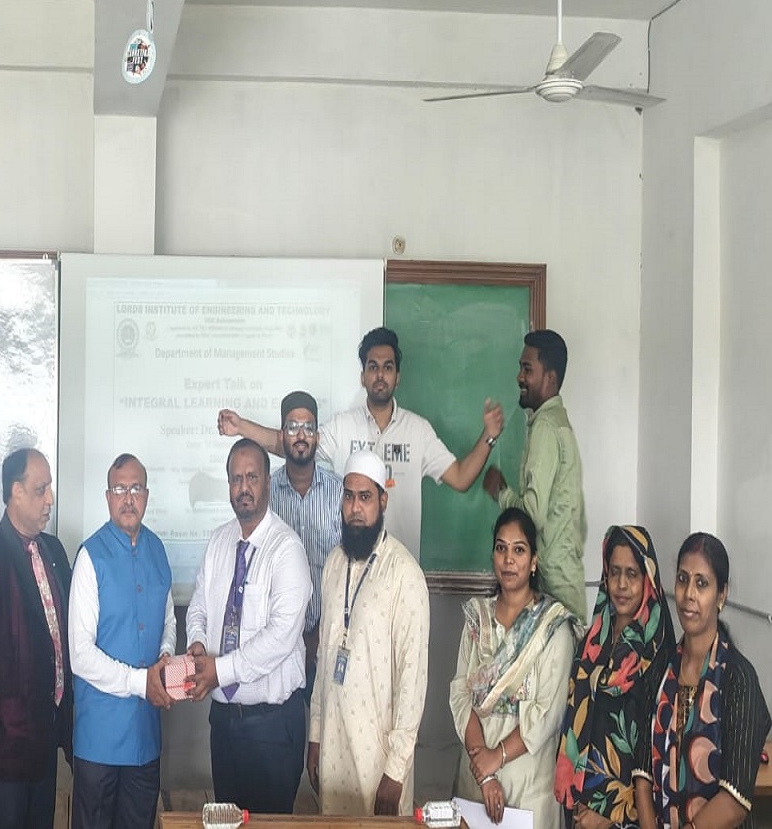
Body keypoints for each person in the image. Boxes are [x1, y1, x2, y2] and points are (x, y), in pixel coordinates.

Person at [218, 326, 503, 557]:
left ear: (397, 377)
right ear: (362, 376)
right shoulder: (342, 426)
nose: (380, 375)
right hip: (352, 570)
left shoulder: (418, 431)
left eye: (388, 367)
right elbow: (292, 444)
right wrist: (241, 426)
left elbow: (461, 478)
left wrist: (488, 435)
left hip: (400, 569)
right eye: (373, 367)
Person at [186, 438, 311, 814]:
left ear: (268, 482)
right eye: (236, 479)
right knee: (227, 821)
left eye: (252, 477)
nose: (244, 487)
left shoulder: (286, 549)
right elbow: (199, 606)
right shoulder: (219, 541)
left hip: (271, 727)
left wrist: (219, 671)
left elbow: (280, 638)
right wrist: (196, 644)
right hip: (224, 723)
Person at [308, 449, 428, 817]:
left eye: (365, 497)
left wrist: (396, 770)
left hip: (379, 760)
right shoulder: (333, 563)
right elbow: (323, 660)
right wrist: (315, 735)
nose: (355, 508)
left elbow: (413, 678)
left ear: (383, 501)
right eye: (348, 497)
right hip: (332, 747)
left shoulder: (404, 574)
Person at [0, 448, 72, 829]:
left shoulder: (54, 550)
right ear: (16, 492)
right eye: (41, 490)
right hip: (3, 747)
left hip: (46, 737)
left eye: (50, 488)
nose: (50, 499)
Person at [449, 507, 577, 829]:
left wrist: (498, 757)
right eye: (501, 548)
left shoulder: (552, 628)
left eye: (519, 550)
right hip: (475, 782)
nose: (508, 559)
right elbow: (461, 695)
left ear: (533, 561)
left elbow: (548, 714)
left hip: (529, 789)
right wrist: (485, 770)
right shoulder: (477, 620)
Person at [633, 534, 771, 829]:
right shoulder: (660, 671)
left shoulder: (738, 679)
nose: (689, 594)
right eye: (683, 579)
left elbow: (734, 800)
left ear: (722, 595)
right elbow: (642, 776)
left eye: (702, 583)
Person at [69, 454, 175, 829]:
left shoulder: (157, 549)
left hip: (146, 738)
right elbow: (80, 655)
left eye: (135, 489)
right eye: (119, 489)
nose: (128, 498)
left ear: (146, 494)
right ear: (107, 497)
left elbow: (168, 620)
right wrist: (140, 682)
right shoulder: (90, 556)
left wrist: (166, 655)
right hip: (100, 741)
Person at [555, 525, 674, 829]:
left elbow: (662, 751)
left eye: (632, 574)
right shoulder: (592, 640)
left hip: (629, 814)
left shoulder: (658, 654)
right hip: (580, 804)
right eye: (614, 572)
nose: (621, 584)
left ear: (647, 580)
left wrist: (611, 815)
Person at [484, 330, 587, 620]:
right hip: (565, 578)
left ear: (549, 378)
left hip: (555, 587)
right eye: (520, 367)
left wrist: (501, 492)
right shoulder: (558, 423)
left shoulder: (545, 428)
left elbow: (532, 515)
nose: (519, 377)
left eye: (527, 369)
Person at [267, 390, 342, 699]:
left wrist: (319, 633)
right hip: (277, 644)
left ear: (317, 437)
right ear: (281, 435)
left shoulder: (340, 493)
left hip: (329, 639)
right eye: (293, 427)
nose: (301, 435)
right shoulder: (266, 493)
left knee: (329, 726)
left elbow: (348, 570)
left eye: (308, 428)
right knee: (286, 725)